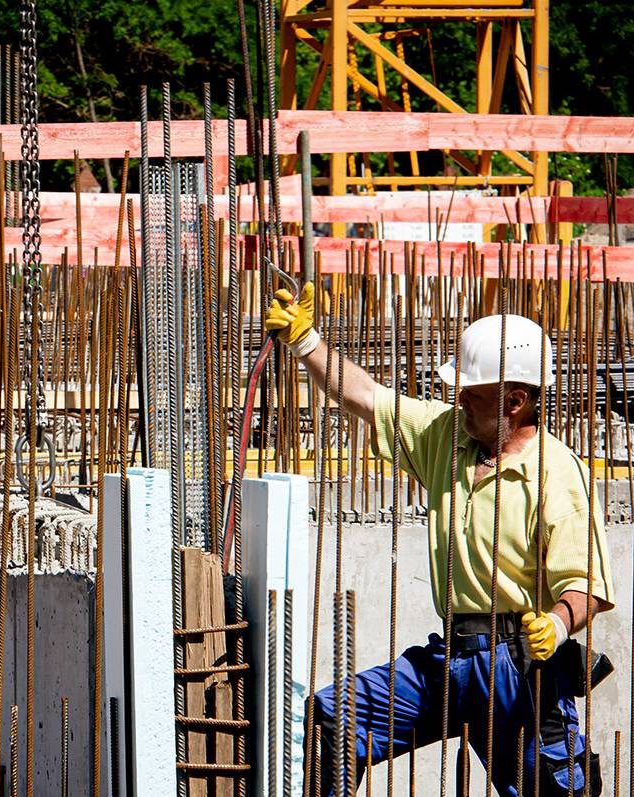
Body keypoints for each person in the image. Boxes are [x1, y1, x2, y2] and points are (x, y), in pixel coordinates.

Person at [263, 283, 614, 796]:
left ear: (515, 401)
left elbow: (587, 585)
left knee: (556, 791)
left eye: (471, 393)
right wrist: (306, 342)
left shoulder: (558, 474)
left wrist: (558, 626)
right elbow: (364, 396)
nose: (459, 401)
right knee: (333, 722)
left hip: (515, 669)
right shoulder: (448, 437)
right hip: (452, 658)